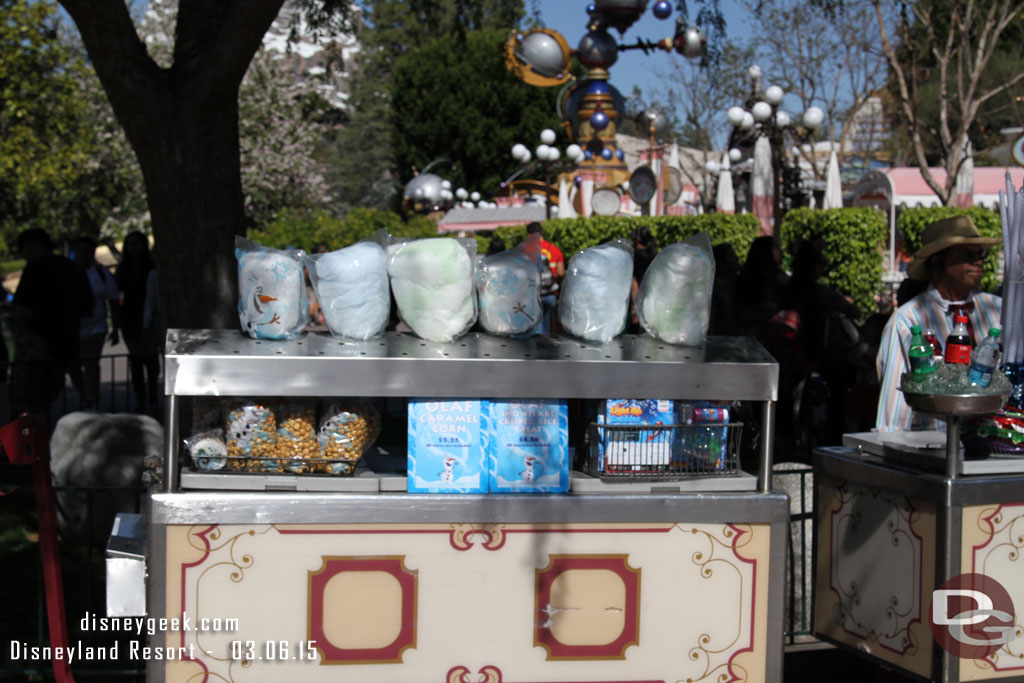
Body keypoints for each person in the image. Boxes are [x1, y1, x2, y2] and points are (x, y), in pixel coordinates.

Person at [876, 216, 1002, 431]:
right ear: (937, 262)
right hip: (933, 449)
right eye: (967, 256)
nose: (978, 261)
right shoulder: (908, 320)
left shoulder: (997, 310)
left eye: (980, 254)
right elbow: (895, 410)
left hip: (993, 447)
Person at [10, 228, 93, 417]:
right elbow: (89, 310)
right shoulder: (74, 269)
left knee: (26, 410)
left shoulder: (35, 268)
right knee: (46, 407)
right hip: (65, 348)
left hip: (36, 352)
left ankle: (30, 445)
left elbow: (23, 312)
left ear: (31, 246)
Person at [69, 236, 120, 410]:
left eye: (87, 250)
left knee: (91, 362)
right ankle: (84, 392)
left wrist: (115, 327)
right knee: (74, 365)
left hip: (96, 327)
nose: (83, 254)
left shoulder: (101, 274)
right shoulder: (67, 273)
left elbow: (113, 299)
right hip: (72, 329)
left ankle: (91, 396)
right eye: (80, 250)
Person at [116, 232, 161, 410]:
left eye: (137, 244)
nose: (133, 248)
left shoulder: (151, 268)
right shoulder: (123, 270)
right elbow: (118, 295)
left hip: (149, 318)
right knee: (135, 359)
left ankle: (152, 393)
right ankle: (140, 395)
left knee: (150, 358)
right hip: (130, 319)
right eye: (130, 244)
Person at [526, 222, 564, 334]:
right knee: (546, 325)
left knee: (537, 327)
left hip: (534, 295)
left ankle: (539, 349)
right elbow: (560, 273)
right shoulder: (554, 249)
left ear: (529, 235)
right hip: (551, 294)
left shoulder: (527, 251)